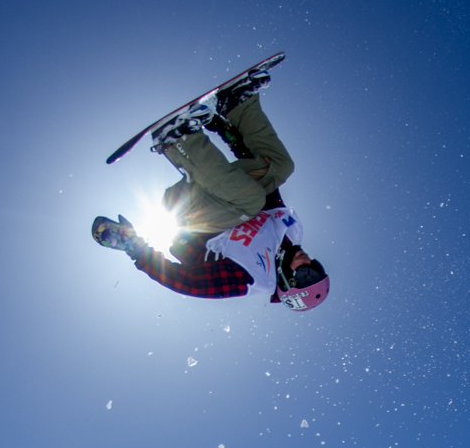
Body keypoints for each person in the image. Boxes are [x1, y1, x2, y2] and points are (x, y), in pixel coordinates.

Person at [92, 79, 329, 311]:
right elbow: (263, 180)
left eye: (306, 274)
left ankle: (177, 139)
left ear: (288, 283)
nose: (308, 261)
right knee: (281, 168)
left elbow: (189, 282)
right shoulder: (288, 232)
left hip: (188, 215)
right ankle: (238, 104)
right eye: (316, 267)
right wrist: (230, 135)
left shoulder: (254, 277)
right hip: (217, 188)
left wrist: (135, 247)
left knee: (251, 202)